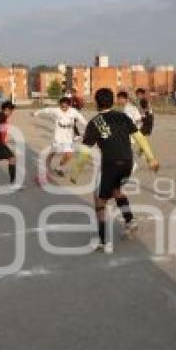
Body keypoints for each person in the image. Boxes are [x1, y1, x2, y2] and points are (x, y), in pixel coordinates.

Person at [69, 88, 159, 254]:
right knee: (116, 189)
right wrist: (151, 158)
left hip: (111, 164)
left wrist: (75, 172)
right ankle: (130, 220)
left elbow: (85, 151)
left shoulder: (95, 122)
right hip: (127, 163)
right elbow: (139, 137)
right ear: (112, 101)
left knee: (99, 199)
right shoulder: (122, 116)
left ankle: (104, 241)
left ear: (97, 102)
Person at [31, 96, 87, 181]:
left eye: (65, 106)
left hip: (68, 138)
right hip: (58, 137)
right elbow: (46, 110)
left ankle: (59, 168)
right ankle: (44, 170)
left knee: (69, 155)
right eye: (61, 106)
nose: (63, 108)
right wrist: (36, 113)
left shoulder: (74, 112)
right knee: (53, 153)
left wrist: (90, 128)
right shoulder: (56, 111)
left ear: (69, 105)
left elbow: (83, 121)